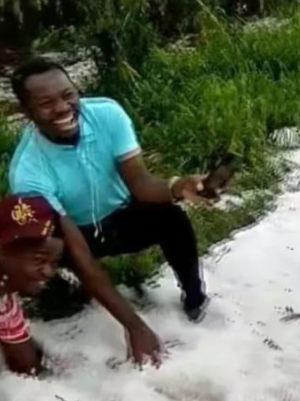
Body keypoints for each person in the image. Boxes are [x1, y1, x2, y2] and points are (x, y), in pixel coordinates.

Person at [9, 57, 214, 324]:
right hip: (76, 235)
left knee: (172, 217)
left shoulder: (107, 114)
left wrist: (179, 186)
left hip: (121, 214)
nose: (62, 108)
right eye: (46, 103)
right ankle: (62, 289)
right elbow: (79, 250)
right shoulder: (28, 171)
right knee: (46, 245)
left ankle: (195, 297)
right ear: (26, 111)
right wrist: (135, 327)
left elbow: (140, 184)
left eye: (68, 95)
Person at [0, 194, 161, 375]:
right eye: (39, 260)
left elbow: (26, 368)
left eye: (54, 263)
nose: (48, 273)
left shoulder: (6, 303)